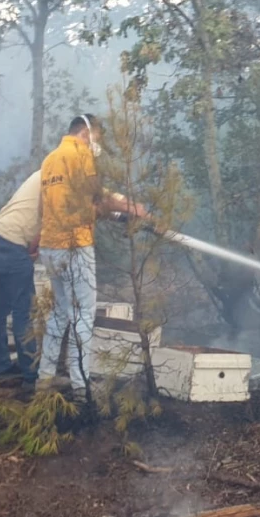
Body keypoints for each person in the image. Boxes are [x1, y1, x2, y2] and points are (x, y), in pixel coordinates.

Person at [37, 114, 155, 400]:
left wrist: (120, 210)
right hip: (76, 244)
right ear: (86, 133)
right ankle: (81, 387)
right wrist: (134, 211)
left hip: (50, 246)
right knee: (83, 316)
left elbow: (69, 204)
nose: (98, 144)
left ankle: (43, 380)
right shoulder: (80, 155)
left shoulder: (50, 159)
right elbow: (97, 198)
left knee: (60, 313)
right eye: (98, 137)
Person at [0, 170, 42, 390]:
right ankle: (31, 375)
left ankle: (1, 368)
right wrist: (33, 245)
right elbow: (48, 217)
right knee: (24, 309)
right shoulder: (59, 178)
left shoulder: (40, 174)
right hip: (12, 242)